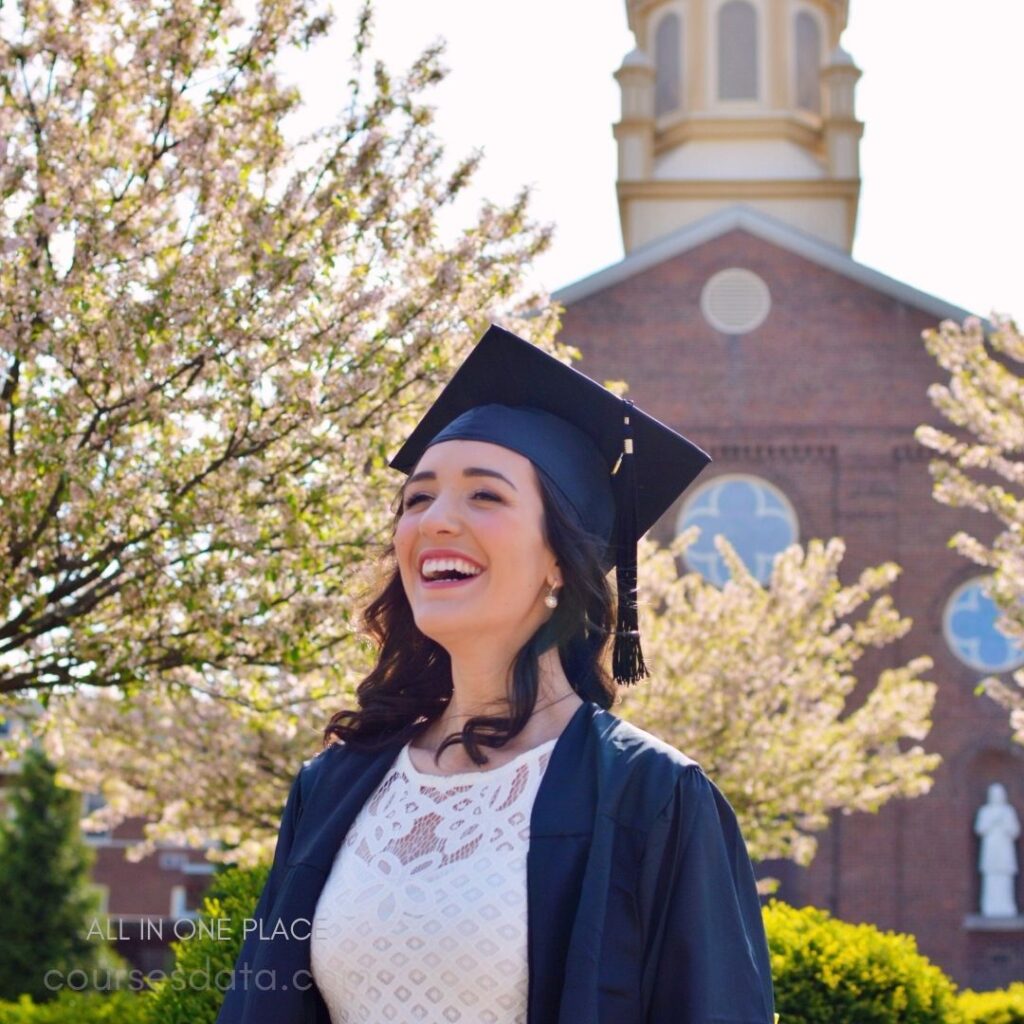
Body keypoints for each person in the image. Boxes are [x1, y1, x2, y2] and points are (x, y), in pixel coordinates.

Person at [215, 324, 777, 1024]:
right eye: (417, 499)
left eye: (484, 496)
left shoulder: (651, 798)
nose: (436, 520)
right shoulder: (333, 787)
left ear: (560, 562)